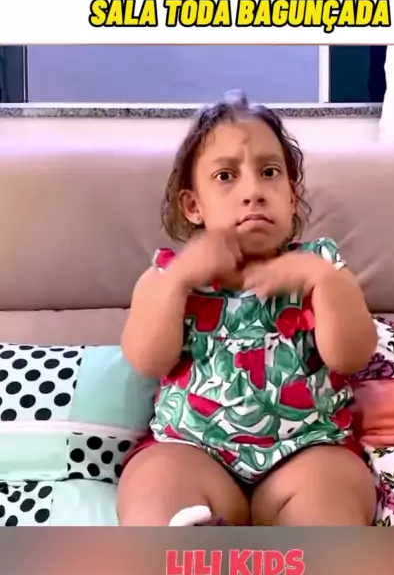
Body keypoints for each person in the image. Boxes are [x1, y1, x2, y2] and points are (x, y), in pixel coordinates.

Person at [117, 91, 377, 526]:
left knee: (332, 493)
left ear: (291, 197)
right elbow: (146, 359)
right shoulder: (167, 275)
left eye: (270, 173)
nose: (253, 192)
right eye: (226, 176)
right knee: (153, 486)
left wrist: (324, 282)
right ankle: (186, 547)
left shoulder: (321, 265)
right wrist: (179, 281)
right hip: (192, 449)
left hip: (307, 448)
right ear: (193, 206)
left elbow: (351, 356)